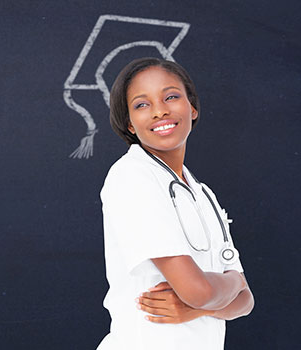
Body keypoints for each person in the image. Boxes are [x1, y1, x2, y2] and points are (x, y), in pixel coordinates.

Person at [97, 57, 254, 349]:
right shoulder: (132, 175)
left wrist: (202, 305)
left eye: (171, 96)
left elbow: (245, 302)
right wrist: (231, 282)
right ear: (129, 124)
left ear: (192, 108)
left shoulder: (202, 193)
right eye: (142, 105)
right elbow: (200, 291)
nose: (160, 111)